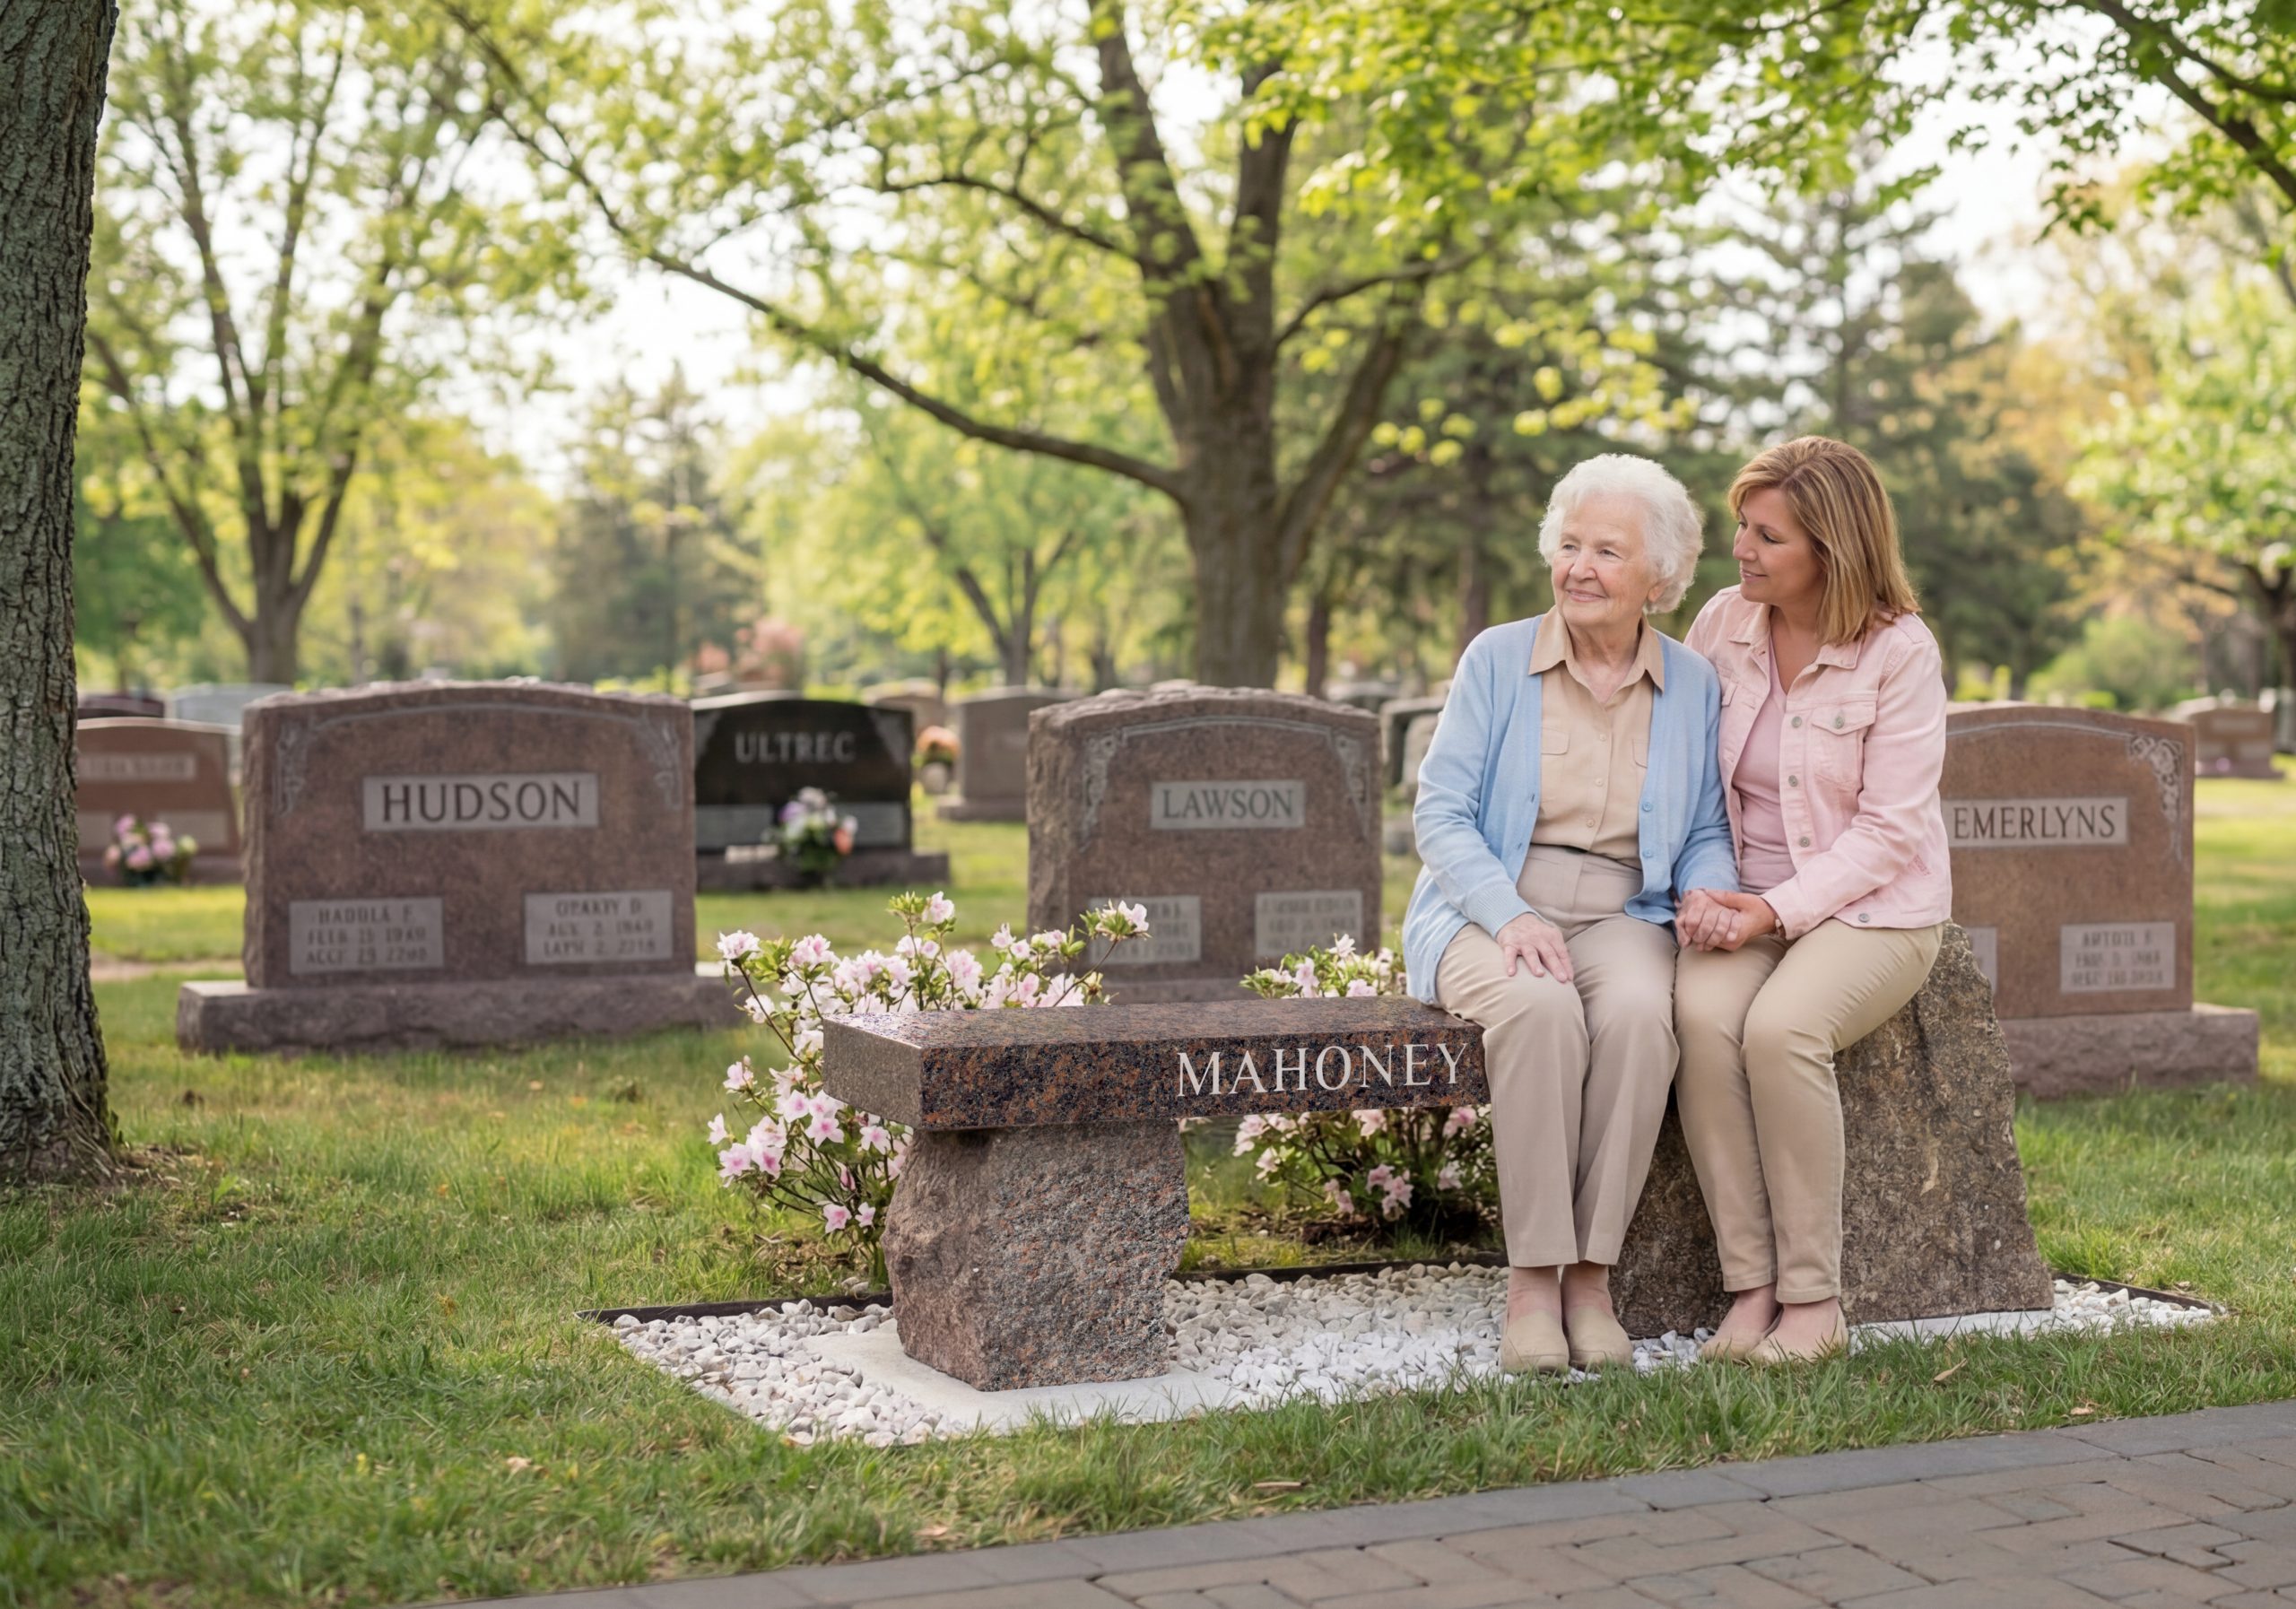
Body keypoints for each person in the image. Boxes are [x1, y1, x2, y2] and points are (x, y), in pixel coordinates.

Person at [1404, 454, 1735, 1374]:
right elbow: (1440, 813)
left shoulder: (1692, 684)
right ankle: (1530, 1286)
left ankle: (1590, 1279)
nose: (1579, 568)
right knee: (1541, 1012)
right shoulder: (1498, 659)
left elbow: (1706, 825)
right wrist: (1509, 917)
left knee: (1637, 1018)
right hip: (1486, 909)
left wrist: (1707, 887)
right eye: (1570, 545)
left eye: (1607, 552)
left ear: (1657, 580)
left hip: (1624, 909)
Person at [1673, 435, 1953, 1365]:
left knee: (1779, 1028)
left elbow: (1890, 831)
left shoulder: (1898, 653)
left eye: (1766, 536)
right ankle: (1750, 1290)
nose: (1740, 551)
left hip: (1873, 911)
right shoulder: (1721, 624)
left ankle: (1814, 1304)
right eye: (1740, 529)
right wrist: (1708, 891)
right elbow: (1681, 773)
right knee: (1703, 1018)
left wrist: (1773, 912)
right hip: (1742, 893)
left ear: (1829, 550)